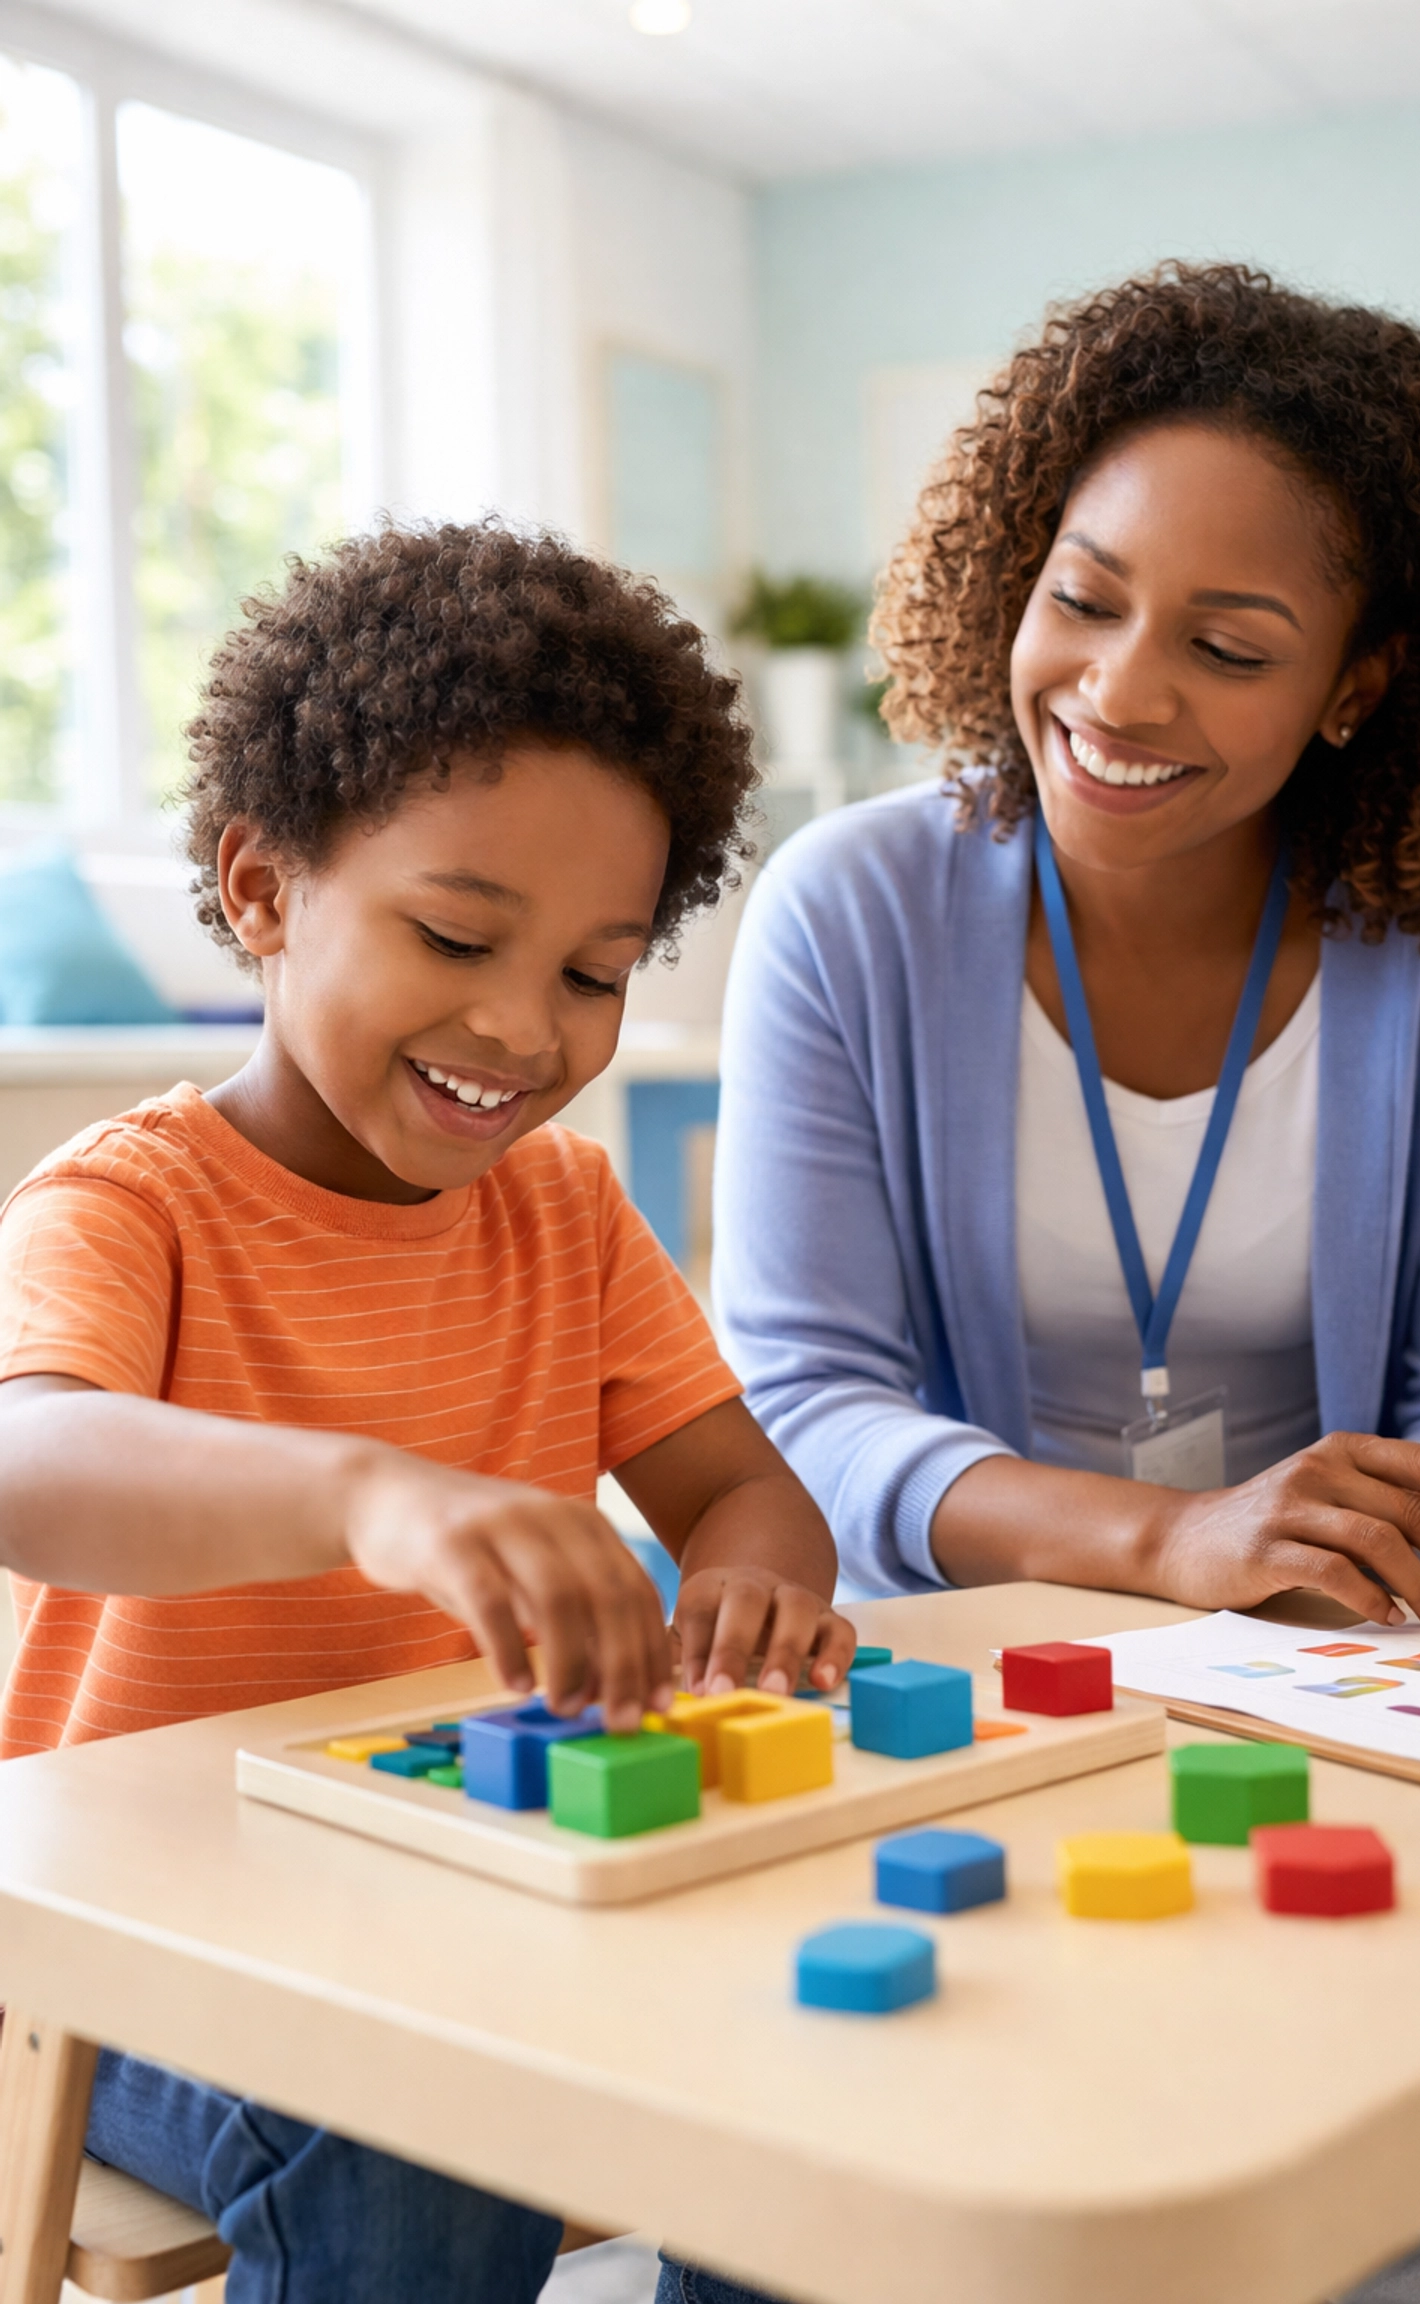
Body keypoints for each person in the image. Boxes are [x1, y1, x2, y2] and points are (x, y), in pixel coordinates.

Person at [708, 264, 1420, 2304]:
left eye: (1230, 646)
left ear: (1359, 681)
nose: (1120, 691)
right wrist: (1171, 1539)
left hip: (1336, 1673)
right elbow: (802, 1399)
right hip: (952, 1668)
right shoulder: (855, 911)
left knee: (1351, 2221)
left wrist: (1343, 1578)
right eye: (1081, 598)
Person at [0, 520, 854, 2304]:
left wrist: (755, 1579)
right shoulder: (129, 1205)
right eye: (458, 934)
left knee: (824, 2057)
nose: (521, 1029)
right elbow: (31, 1460)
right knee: (422, 2127)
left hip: (465, 1874)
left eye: (593, 974)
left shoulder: (569, 1214)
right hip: (136, 1927)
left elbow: (741, 1492)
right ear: (258, 889)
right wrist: (367, 1495)